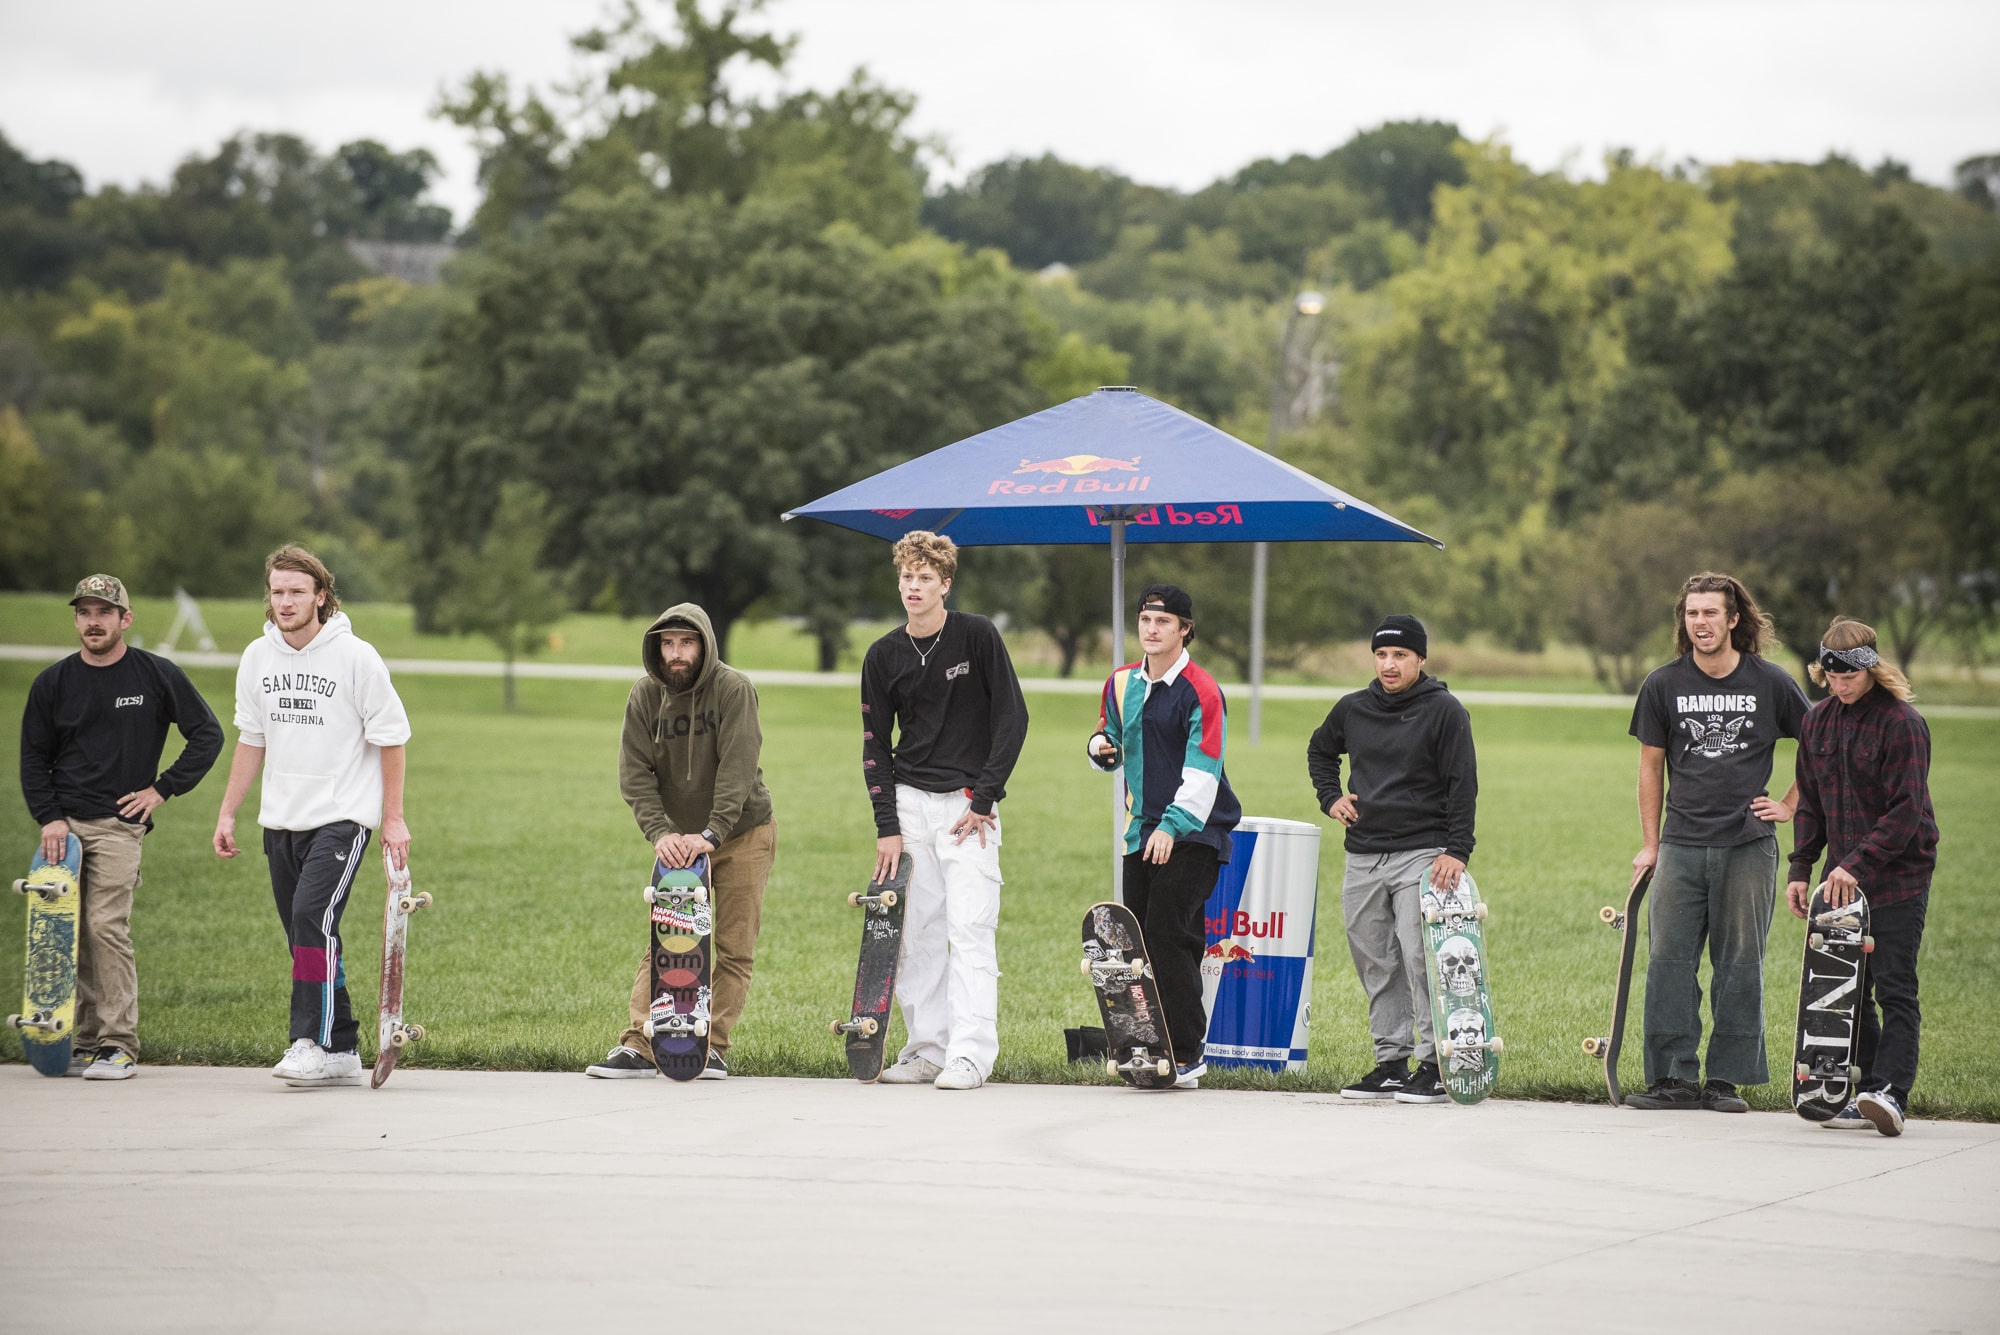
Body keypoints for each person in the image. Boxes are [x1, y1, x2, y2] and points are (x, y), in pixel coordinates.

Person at [212, 545, 412, 1088]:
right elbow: (251, 738)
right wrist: (229, 812)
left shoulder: (356, 657)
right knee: (308, 934)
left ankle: (310, 1041)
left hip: (342, 817)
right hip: (280, 821)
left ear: (320, 596)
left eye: (297, 591)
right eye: (277, 591)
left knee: (311, 920)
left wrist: (391, 818)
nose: (286, 601)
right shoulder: (257, 657)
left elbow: (391, 737)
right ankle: (343, 1045)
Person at [17, 574, 223, 1080]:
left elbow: (207, 734)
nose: (93, 621)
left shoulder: (155, 675)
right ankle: (84, 1038)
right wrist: (49, 817)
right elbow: (32, 757)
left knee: (105, 925)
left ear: (124, 619)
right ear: (77, 619)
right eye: (84, 612)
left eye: (104, 613)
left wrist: (162, 789)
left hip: (118, 825)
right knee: (69, 931)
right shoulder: (53, 683)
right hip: (61, 831)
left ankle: (118, 1043)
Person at [1627, 571, 1807, 1112]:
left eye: (1711, 613)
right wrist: (1651, 843)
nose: (1700, 622)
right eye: (1691, 613)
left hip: (1748, 844)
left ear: (1734, 619)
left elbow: (1820, 746)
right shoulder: (1663, 684)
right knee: (1669, 962)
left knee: (1739, 964)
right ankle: (1673, 1078)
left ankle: (1725, 1079)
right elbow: (1649, 768)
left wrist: (1791, 805)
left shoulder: (1770, 682)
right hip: (1680, 843)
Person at [861, 530, 1028, 1091]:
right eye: (907, 577)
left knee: (970, 928)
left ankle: (970, 1055)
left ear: (945, 584)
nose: (914, 587)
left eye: (925, 578)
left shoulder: (977, 636)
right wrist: (888, 827)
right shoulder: (882, 655)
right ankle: (927, 1049)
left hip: (967, 807)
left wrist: (985, 798)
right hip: (910, 805)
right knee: (916, 933)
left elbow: (1012, 719)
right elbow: (874, 746)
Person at [588, 603, 776, 1081]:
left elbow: (737, 769)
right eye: (667, 644)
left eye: (686, 643)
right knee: (669, 940)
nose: (676, 654)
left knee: (733, 946)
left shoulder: (734, 690)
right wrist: (662, 834)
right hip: (678, 842)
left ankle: (709, 1045)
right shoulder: (645, 696)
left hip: (741, 832)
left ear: (704, 645)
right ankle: (641, 1044)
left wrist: (712, 832)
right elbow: (634, 774)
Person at [1307, 614, 1478, 1105]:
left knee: (1419, 956)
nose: (1389, 664)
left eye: (1400, 655)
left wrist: (1457, 850)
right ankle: (1390, 1063)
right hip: (1363, 854)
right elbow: (1320, 751)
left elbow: (1462, 783)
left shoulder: (1445, 711)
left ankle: (1434, 1064)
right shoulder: (1353, 708)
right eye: (1382, 655)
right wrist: (1330, 798)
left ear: (1420, 659)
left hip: (1422, 852)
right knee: (1375, 960)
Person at [1787, 618, 1939, 1137]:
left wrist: (1855, 865)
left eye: (1851, 676)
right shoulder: (1818, 723)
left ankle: (1891, 1093)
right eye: (1833, 677)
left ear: (1871, 668)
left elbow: (1906, 810)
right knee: (1851, 990)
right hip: (1840, 880)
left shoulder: (1902, 723)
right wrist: (1802, 868)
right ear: (1822, 671)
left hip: (1898, 873)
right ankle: (1865, 1090)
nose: (1842, 685)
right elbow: (1810, 802)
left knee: (1894, 984)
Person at [1086, 584, 1241, 1089]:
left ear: (1184, 629)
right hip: (1142, 831)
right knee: (1139, 945)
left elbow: (1203, 771)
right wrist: (1100, 749)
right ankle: (1146, 1045)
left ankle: (1187, 1051)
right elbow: (1107, 734)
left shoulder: (1202, 689)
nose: (1152, 629)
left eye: (1164, 621)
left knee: (1169, 932)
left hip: (1196, 830)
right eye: (1145, 620)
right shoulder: (1121, 681)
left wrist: (1172, 826)